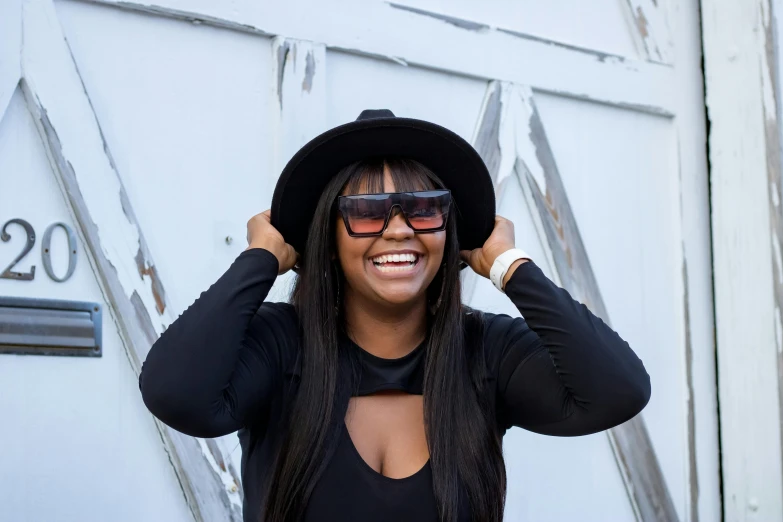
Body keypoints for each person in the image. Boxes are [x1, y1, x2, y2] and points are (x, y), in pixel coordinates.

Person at [139, 110, 651, 522]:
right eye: (366, 212)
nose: (400, 229)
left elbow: (619, 390)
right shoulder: (281, 347)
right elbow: (175, 393)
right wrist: (261, 259)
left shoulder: (486, 352)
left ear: (448, 231)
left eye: (424, 209)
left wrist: (510, 267)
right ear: (328, 236)